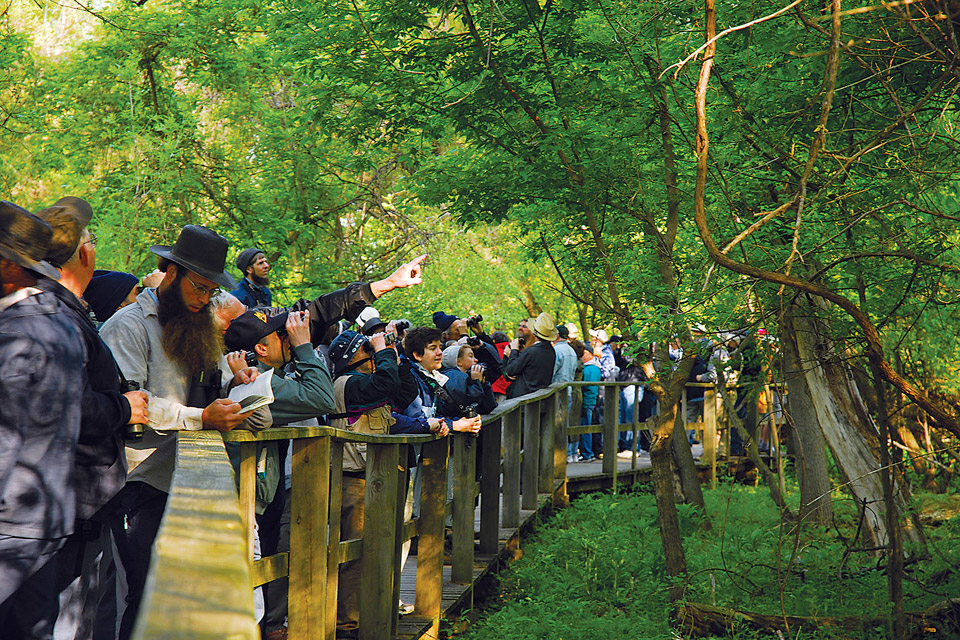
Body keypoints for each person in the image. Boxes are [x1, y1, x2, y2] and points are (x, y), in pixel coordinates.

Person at [99, 224, 270, 640]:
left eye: (212, 291)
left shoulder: (194, 324)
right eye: (199, 288)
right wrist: (201, 418)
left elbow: (196, 387)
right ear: (171, 273)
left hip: (179, 479)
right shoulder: (128, 326)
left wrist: (234, 385)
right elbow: (135, 405)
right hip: (133, 482)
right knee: (139, 599)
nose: (204, 299)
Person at [22, 197, 149, 640]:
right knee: (71, 623)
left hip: (78, 502)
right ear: (86, 254)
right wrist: (126, 407)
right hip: (66, 505)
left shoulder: (61, 312)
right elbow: (69, 406)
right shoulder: (56, 317)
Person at [0, 201, 86, 637]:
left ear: (7, 266)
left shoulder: (17, 334)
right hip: (45, 520)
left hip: (12, 527)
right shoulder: (59, 322)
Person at [327, 329, 446, 638]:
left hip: (373, 479)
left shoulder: (370, 384)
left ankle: (369, 613)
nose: (372, 353)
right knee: (357, 555)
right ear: (353, 356)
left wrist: (393, 353)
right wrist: (381, 350)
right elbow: (388, 384)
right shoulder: (348, 384)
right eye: (367, 349)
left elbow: (405, 394)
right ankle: (347, 625)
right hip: (354, 480)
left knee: (374, 551)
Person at [502, 312, 558, 399]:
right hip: (540, 400)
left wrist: (514, 350)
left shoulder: (531, 351)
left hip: (524, 400)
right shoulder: (551, 351)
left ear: (533, 333)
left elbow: (511, 370)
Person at [577, 343, 602, 462]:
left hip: (587, 401)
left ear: (589, 354)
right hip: (590, 401)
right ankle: (587, 452)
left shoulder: (590, 368)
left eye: (584, 353)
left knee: (585, 428)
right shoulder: (594, 367)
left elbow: (586, 385)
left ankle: (587, 453)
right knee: (586, 426)